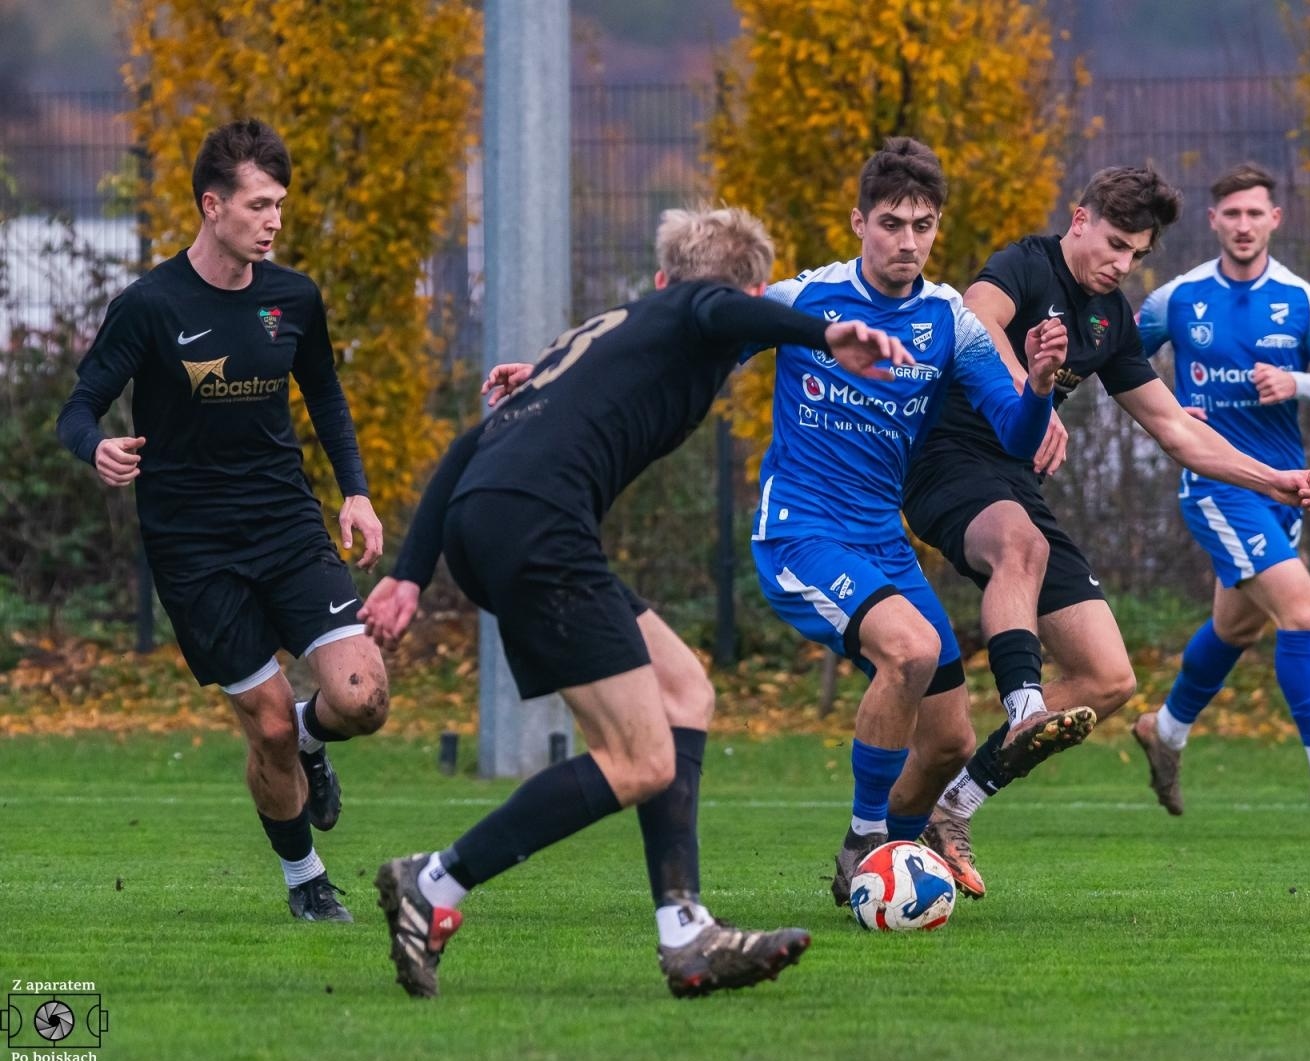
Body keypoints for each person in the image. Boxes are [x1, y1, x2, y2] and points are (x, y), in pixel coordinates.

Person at [359, 205, 913, 999]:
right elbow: (717, 306)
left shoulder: (609, 328)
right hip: (538, 523)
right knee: (641, 759)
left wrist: (411, 572)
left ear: (657, 278)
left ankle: (683, 929)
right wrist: (822, 333)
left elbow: (466, 444)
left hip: (492, 517)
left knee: (685, 689)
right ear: (746, 289)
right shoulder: (699, 310)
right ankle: (436, 881)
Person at [902, 166, 1310, 898]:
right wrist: (1025, 391)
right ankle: (1023, 705)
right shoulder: (1025, 263)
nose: (1121, 263)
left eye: (1135, 253)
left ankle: (949, 810)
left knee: (1110, 678)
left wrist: (1274, 479)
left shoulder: (1111, 318)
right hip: (945, 461)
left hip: (1011, 483)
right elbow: (972, 316)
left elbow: (1173, 428)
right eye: (1113, 244)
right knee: (1021, 545)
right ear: (1079, 218)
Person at [56, 118, 389, 922]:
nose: (274, 220)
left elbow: (327, 395)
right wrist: (96, 448)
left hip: (286, 525)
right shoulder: (150, 306)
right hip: (195, 549)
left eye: (280, 205)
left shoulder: (294, 297)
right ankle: (306, 880)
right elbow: (78, 407)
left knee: (363, 697)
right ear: (213, 206)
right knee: (266, 728)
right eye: (260, 205)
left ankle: (317, 736)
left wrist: (356, 489)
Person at [744, 137, 1068, 909]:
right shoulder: (806, 298)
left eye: (923, 225)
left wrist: (1042, 385)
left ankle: (885, 867)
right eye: (891, 222)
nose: (907, 241)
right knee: (913, 648)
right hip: (801, 534)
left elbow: (1016, 436)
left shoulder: (948, 320)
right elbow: (690, 334)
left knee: (952, 740)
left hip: (882, 544)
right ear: (859, 222)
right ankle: (865, 843)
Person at [1134, 163, 1310, 831]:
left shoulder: (1301, 300)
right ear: (1213, 221)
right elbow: (1117, 361)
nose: (1243, 225)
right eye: (1230, 214)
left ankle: (1166, 731)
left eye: (1254, 214)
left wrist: (1297, 382)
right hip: (1216, 486)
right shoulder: (1176, 299)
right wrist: (1169, 409)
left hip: (1284, 490)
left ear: (1276, 219)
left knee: (1236, 627)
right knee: (1299, 608)